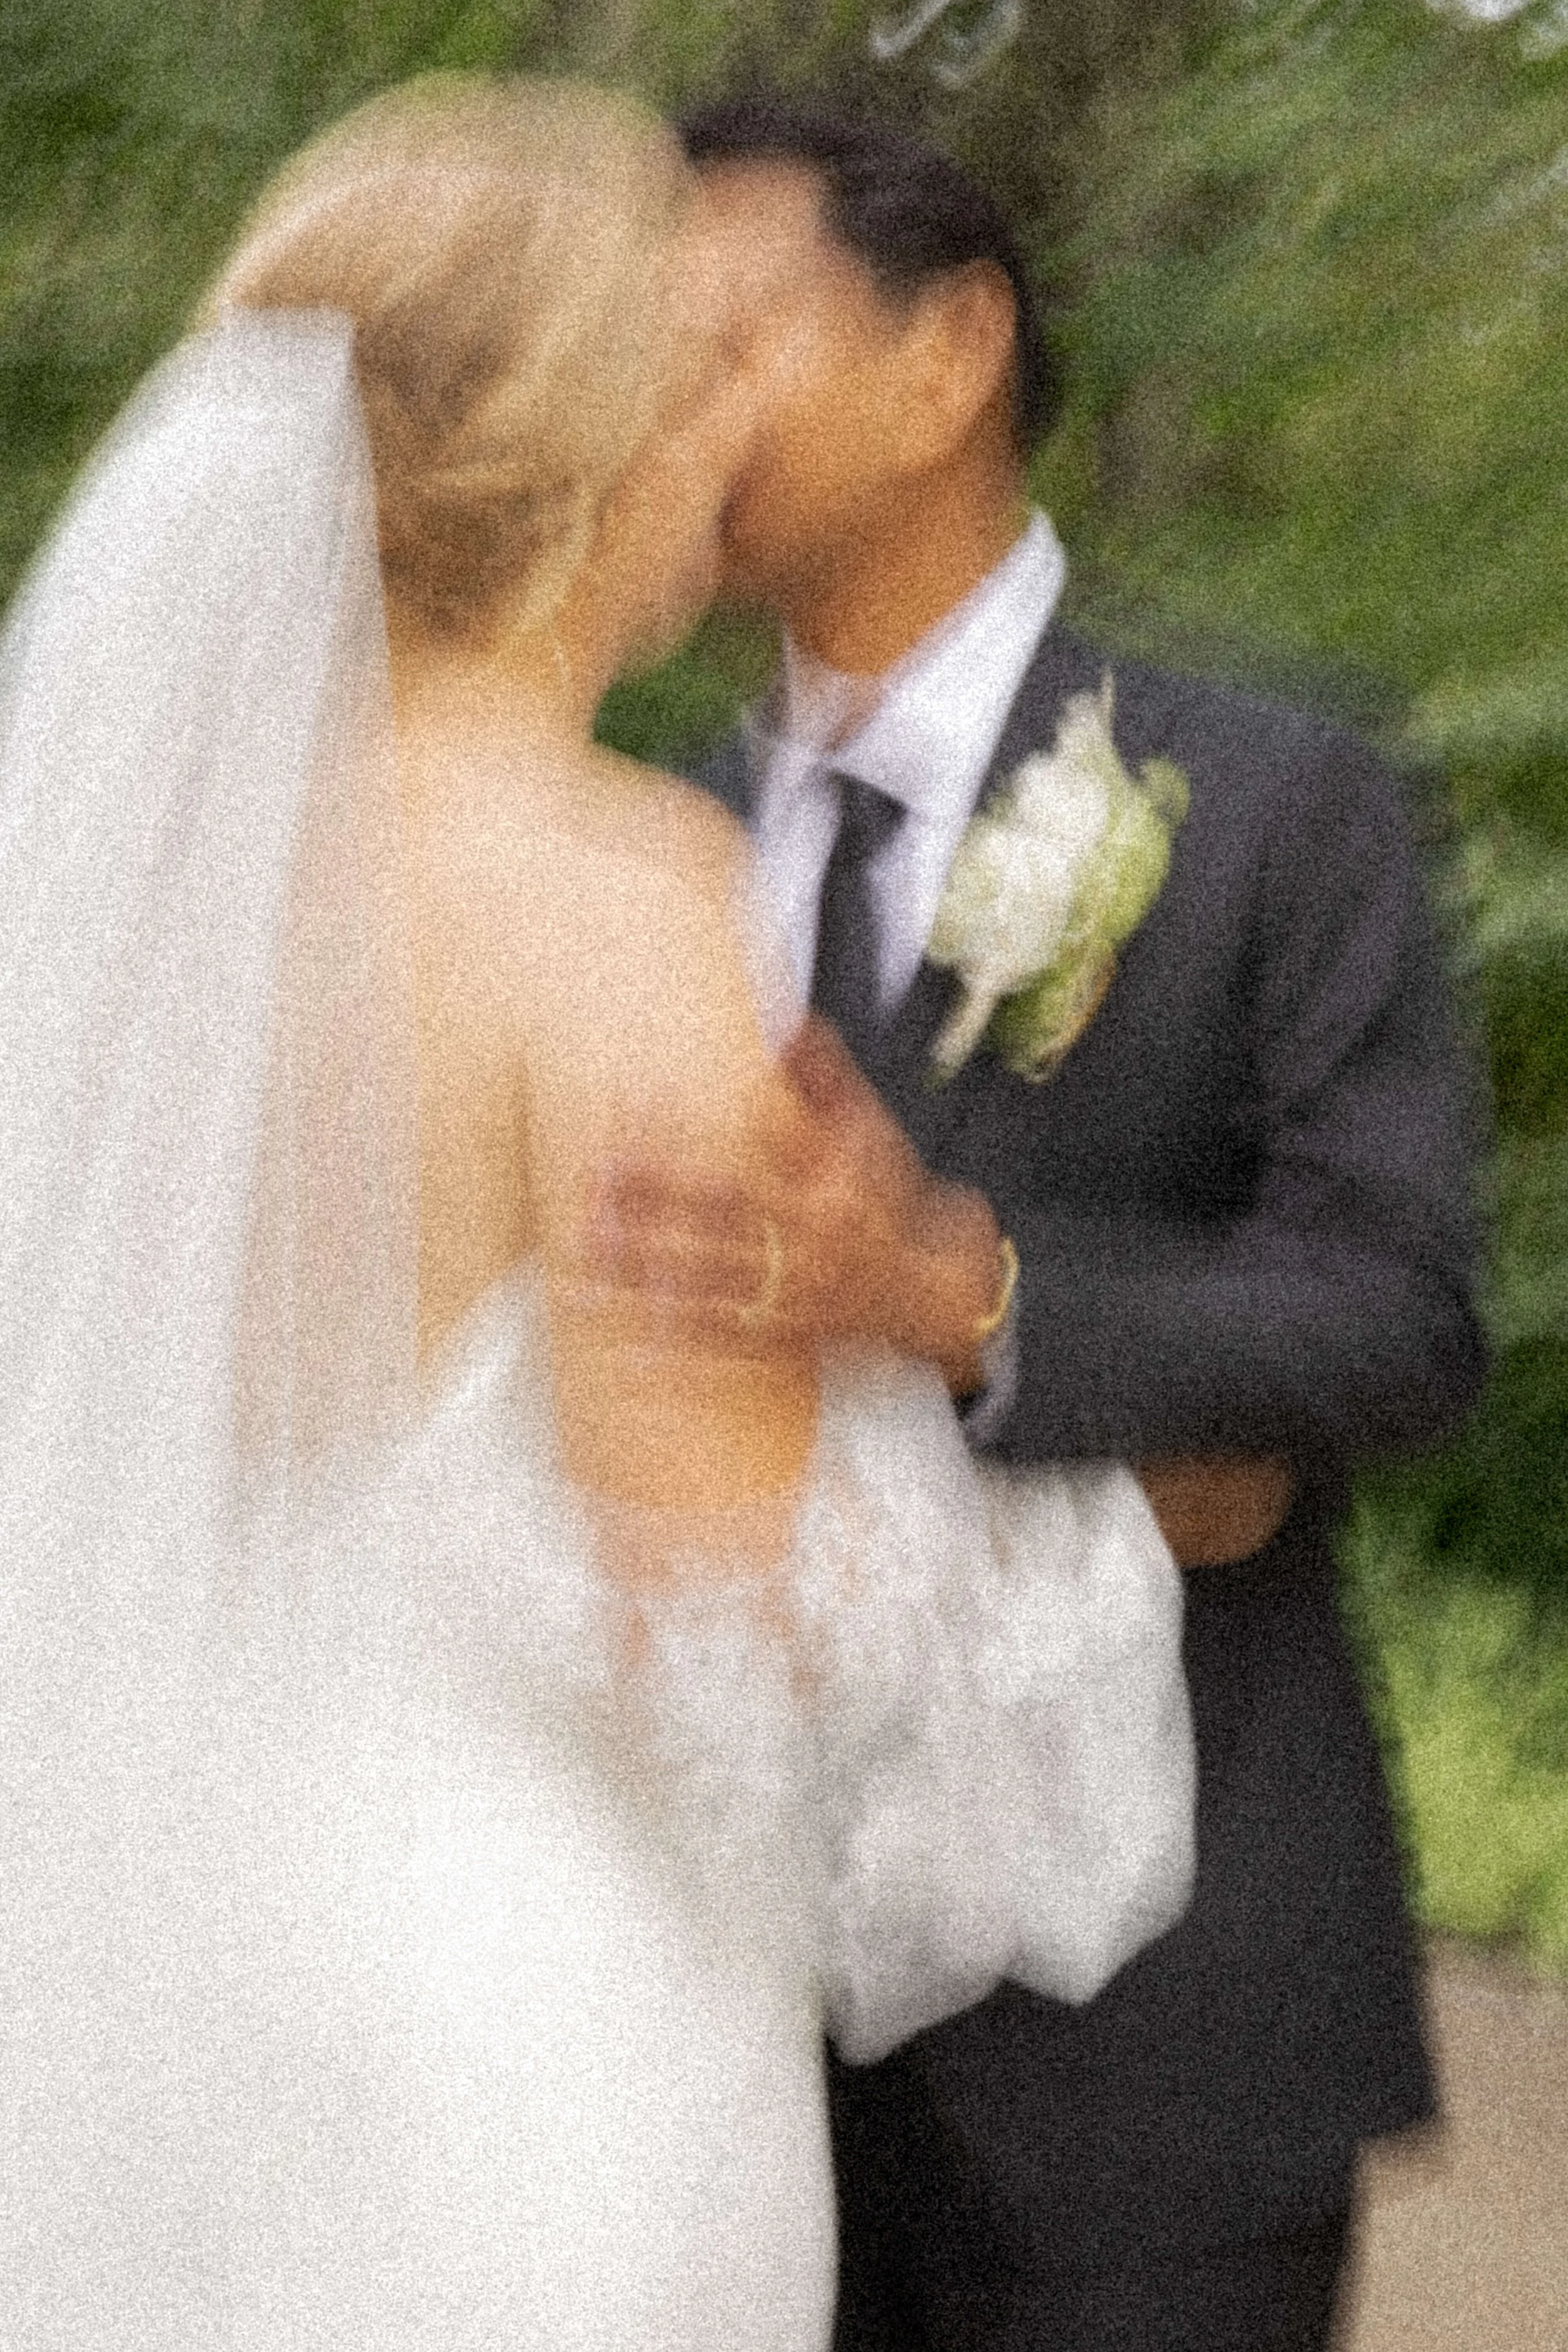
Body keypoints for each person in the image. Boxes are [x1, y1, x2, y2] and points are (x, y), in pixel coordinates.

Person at [0, 77, 1197, 2349]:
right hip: (518, 2038)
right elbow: (735, 1646)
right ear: (614, 440)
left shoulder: (104, 895)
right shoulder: (613, 887)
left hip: (172, 2019)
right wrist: (975, 1431)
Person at [587, 91, 1488, 2352]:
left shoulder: (1282, 802)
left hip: (1153, 2040)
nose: (655, 419)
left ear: (945, 349)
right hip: (709, 2042)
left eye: (713, 346)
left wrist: (967, 1297)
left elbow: (1398, 1317)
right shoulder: (624, 846)